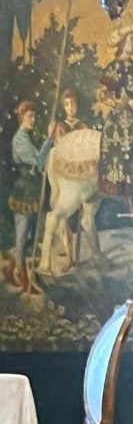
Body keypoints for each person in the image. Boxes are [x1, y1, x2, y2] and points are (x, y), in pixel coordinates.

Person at [97, 14, 133, 216]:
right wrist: (118, 103)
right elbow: (101, 92)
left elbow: (131, 91)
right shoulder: (115, 67)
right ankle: (121, 199)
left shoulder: (132, 67)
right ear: (123, 43)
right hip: (118, 121)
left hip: (132, 117)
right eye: (132, 39)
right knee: (122, 155)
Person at [4, 100, 51, 295]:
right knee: (22, 236)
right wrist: (49, 140)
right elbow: (39, 160)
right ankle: (23, 280)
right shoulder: (20, 139)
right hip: (24, 189)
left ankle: (12, 270)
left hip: (32, 188)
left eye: (34, 115)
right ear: (22, 117)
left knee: (30, 235)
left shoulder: (28, 136)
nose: (34, 119)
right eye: (30, 116)